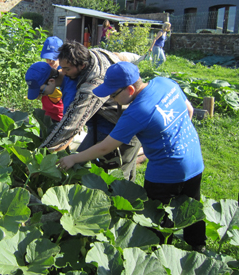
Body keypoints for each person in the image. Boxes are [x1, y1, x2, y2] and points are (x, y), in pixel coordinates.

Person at [57, 62, 206, 251]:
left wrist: (73, 158)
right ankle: (199, 245)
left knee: (156, 216)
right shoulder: (165, 83)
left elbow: (105, 147)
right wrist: (173, 134)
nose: (110, 99)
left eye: (113, 94)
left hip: (165, 172)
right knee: (192, 205)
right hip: (194, 158)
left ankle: (155, 251)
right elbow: (189, 110)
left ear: (129, 89)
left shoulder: (136, 112)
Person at [40, 41, 141, 180]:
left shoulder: (92, 85)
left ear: (81, 65)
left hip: (125, 127)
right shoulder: (94, 53)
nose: (63, 72)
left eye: (67, 69)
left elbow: (72, 123)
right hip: (107, 121)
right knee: (92, 166)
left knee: (118, 176)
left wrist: (43, 151)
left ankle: (125, 195)